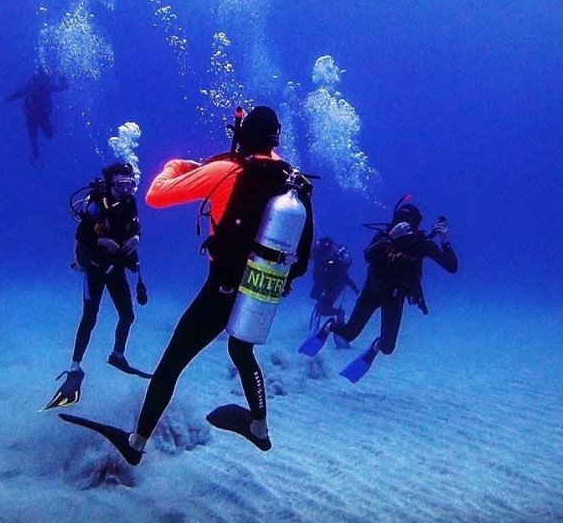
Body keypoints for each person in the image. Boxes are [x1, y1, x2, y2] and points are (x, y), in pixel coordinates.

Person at [59, 106, 314, 465]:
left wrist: (179, 165)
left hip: (222, 287)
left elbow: (155, 195)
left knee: (171, 364)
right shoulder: (289, 176)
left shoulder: (227, 170)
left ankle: (136, 443)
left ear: (242, 137)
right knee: (241, 351)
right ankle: (258, 427)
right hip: (260, 285)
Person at [299, 196, 458, 383]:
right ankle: (329, 326)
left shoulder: (421, 244)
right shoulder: (384, 236)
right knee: (350, 333)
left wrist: (444, 238)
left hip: (395, 296)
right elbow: (369, 256)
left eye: (411, 222)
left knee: (388, 347)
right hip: (372, 292)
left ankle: (374, 348)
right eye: (401, 221)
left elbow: (451, 267)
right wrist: (391, 236)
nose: (406, 226)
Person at [44, 162, 148, 411]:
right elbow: (82, 236)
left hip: (116, 267)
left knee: (128, 315)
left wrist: (135, 239)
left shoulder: (130, 203)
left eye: (130, 185)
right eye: (121, 185)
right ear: (111, 185)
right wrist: (103, 241)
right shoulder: (95, 204)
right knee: (89, 318)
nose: (126, 190)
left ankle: (118, 355)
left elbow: (135, 228)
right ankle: (75, 368)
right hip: (95, 267)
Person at [4, 65, 68, 163]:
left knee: (35, 135)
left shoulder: (35, 86)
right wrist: (63, 80)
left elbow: (19, 94)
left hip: (34, 115)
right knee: (43, 134)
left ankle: (35, 150)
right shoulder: (42, 86)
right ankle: (35, 150)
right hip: (38, 114)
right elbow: (62, 87)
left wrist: (7, 99)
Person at [308, 236, 360, 349]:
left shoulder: (336, 260)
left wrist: (356, 290)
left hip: (334, 286)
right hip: (323, 282)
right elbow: (309, 256)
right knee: (315, 297)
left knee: (324, 309)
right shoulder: (318, 253)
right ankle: (315, 323)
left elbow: (346, 278)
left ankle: (339, 314)